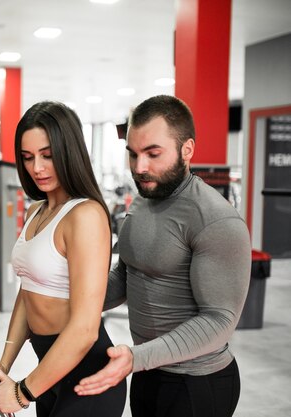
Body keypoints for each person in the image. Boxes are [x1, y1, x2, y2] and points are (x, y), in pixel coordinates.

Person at [74, 95, 252, 417]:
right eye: (133, 155)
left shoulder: (214, 219)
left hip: (197, 383)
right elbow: (128, 276)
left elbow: (219, 320)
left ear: (187, 149)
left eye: (153, 154)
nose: (140, 168)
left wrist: (137, 357)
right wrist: (66, 300)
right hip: (148, 372)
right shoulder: (144, 198)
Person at [0, 101, 126, 416]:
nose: (37, 168)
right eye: (28, 158)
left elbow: (85, 328)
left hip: (88, 375)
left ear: (69, 152)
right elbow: (27, 293)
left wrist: (22, 393)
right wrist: (5, 363)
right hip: (50, 370)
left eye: (48, 155)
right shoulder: (36, 210)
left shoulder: (85, 214)